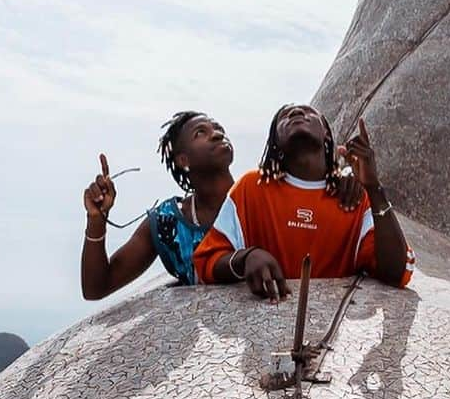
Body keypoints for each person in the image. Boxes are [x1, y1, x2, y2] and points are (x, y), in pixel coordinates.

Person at [193, 104, 414, 300]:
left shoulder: (354, 197)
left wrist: (373, 187)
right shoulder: (251, 188)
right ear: (275, 141)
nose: (297, 112)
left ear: (327, 134)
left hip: (329, 339)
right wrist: (245, 258)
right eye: (285, 115)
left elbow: (396, 272)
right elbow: (206, 262)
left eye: (309, 112)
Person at [80, 112, 235, 298]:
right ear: (183, 160)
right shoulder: (168, 222)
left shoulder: (258, 197)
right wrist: (96, 220)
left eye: (219, 129)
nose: (217, 134)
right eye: (200, 133)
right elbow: (95, 288)